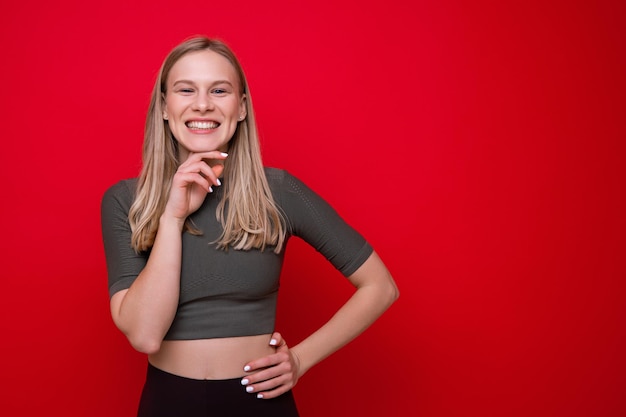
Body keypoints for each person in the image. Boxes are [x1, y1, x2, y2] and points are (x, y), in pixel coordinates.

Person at [101, 35, 399, 417]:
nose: (203, 103)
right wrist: (172, 216)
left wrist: (301, 359)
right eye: (185, 89)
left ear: (241, 107)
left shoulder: (279, 191)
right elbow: (144, 335)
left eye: (220, 90)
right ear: (164, 105)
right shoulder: (125, 200)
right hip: (168, 403)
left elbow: (381, 287)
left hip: (259, 403)